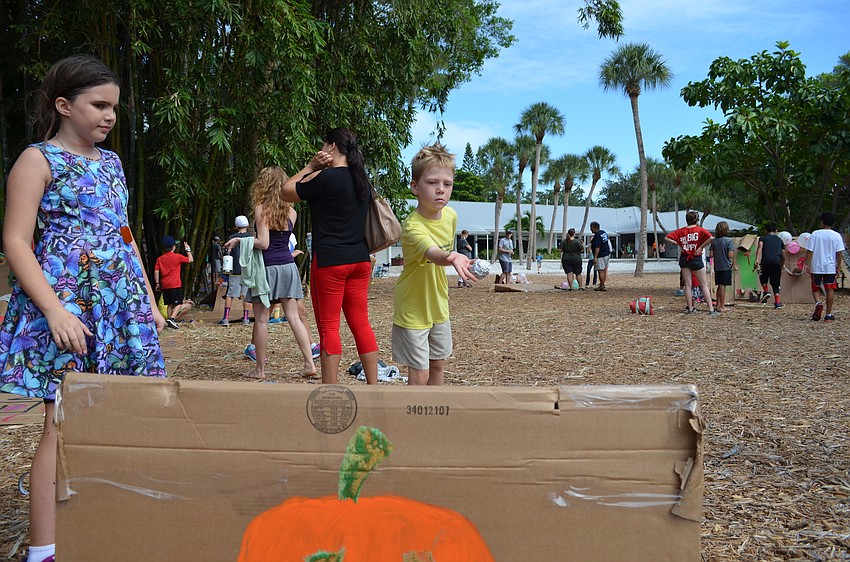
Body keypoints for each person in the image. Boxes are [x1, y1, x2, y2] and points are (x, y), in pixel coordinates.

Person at [0, 54, 166, 562]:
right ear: (63, 105)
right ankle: (43, 549)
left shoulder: (112, 162)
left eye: (114, 107)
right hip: (69, 310)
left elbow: (123, 233)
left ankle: (105, 523)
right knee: (62, 424)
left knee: (119, 415)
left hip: (122, 309)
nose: (109, 116)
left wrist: (149, 302)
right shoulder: (37, 160)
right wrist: (53, 311)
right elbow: (15, 241)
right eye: (98, 105)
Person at [282, 127, 379, 384]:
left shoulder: (324, 178)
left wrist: (310, 165)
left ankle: (330, 389)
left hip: (330, 263)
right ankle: (374, 386)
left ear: (332, 147)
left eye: (324, 145)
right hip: (360, 260)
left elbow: (286, 191)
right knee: (361, 324)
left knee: (329, 327)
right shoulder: (362, 182)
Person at [392, 144, 476, 385]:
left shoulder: (450, 215)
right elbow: (433, 252)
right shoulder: (412, 226)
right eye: (432, 183)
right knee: (420, 371)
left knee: (438, 363)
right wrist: (451, 257)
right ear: (415, 187)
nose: (440, 190)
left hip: (439, 302)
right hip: (413, 306)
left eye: (447, 184)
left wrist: (456, 257)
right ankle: (414, 419)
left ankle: (434, 415)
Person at [225, 167, 317, 380]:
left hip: (266, 270)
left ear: (262, 185)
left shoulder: (261, 209)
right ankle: (309, 364)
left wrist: (241, 239)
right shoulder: (291, 211)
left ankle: (259, 370)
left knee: (262, 320)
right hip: (288, 267)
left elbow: (264, 243)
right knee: (294, 317)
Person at [665, 211, 718, 315]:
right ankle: (711, 309)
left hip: (685, 258)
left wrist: (679, 243)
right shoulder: (699, 230)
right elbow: (711, 238)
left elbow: (667, 237)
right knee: (703, 284)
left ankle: (690, 308)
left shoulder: (681, 231)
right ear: (696, 220)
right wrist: (701, 247)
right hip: (696, 258)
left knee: (688, 285)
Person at [805, 212, 846, 322]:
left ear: (822, 222)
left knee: (815, 288)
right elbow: (839, 254)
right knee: (830, 289)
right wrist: (838, 267)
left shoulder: (815, 234)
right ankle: (828, 315)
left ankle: (818, 303)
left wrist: (806, 264)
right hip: (830, 267)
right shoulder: (836, 236)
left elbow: (810, 251)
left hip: (816, 266)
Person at [219, 215, 253, 326]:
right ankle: (246, 318)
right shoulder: (251, 238)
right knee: (246, 294)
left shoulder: (231, 238)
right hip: (248, 270)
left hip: (235, 269)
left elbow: (227, 254)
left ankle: (226, 318)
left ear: (236, 226)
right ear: (247, 225)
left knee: (230, 294)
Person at [154, 235, 194, 328]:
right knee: (179, 303)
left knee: (169, 304)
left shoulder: (160, 259)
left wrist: (157, 283)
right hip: (175, 284)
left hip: (165, 285)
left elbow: (156, 271)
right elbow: (190, 259)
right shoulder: (177, 257)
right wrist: (188, 249)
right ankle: (171, 319)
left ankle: (169, 322)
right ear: (173, 247)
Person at [754, 222, 785, 308]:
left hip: (766, 261)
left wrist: (757, 260)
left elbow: (760, 247)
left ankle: (766, 291)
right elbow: (783, 255)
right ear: (776, 230)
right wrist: (782, 265)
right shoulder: (779, 240)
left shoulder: (763, 238)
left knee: (763, 277)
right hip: (777, 262)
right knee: (776, 282)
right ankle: (778, 303)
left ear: (766, 230)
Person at [709, 221, 734, 312]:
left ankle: (718, 304)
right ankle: (722, 306)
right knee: (723, 286)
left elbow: (711, 254)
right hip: (726, 266)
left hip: (717, 266)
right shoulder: (729, 241)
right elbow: (730, 255)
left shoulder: (714, 241)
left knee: (719, 286)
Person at [589, 222, 611, 291]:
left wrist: (595, 257)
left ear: (594, 227)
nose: (590, 229)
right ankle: (602, 284)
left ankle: (602, 285)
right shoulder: (603, 232)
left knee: (600, 270)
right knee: (604, 270)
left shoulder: (597, 235)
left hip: (601, 255)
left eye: (591, 228)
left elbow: (597, 247)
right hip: (607, 253)